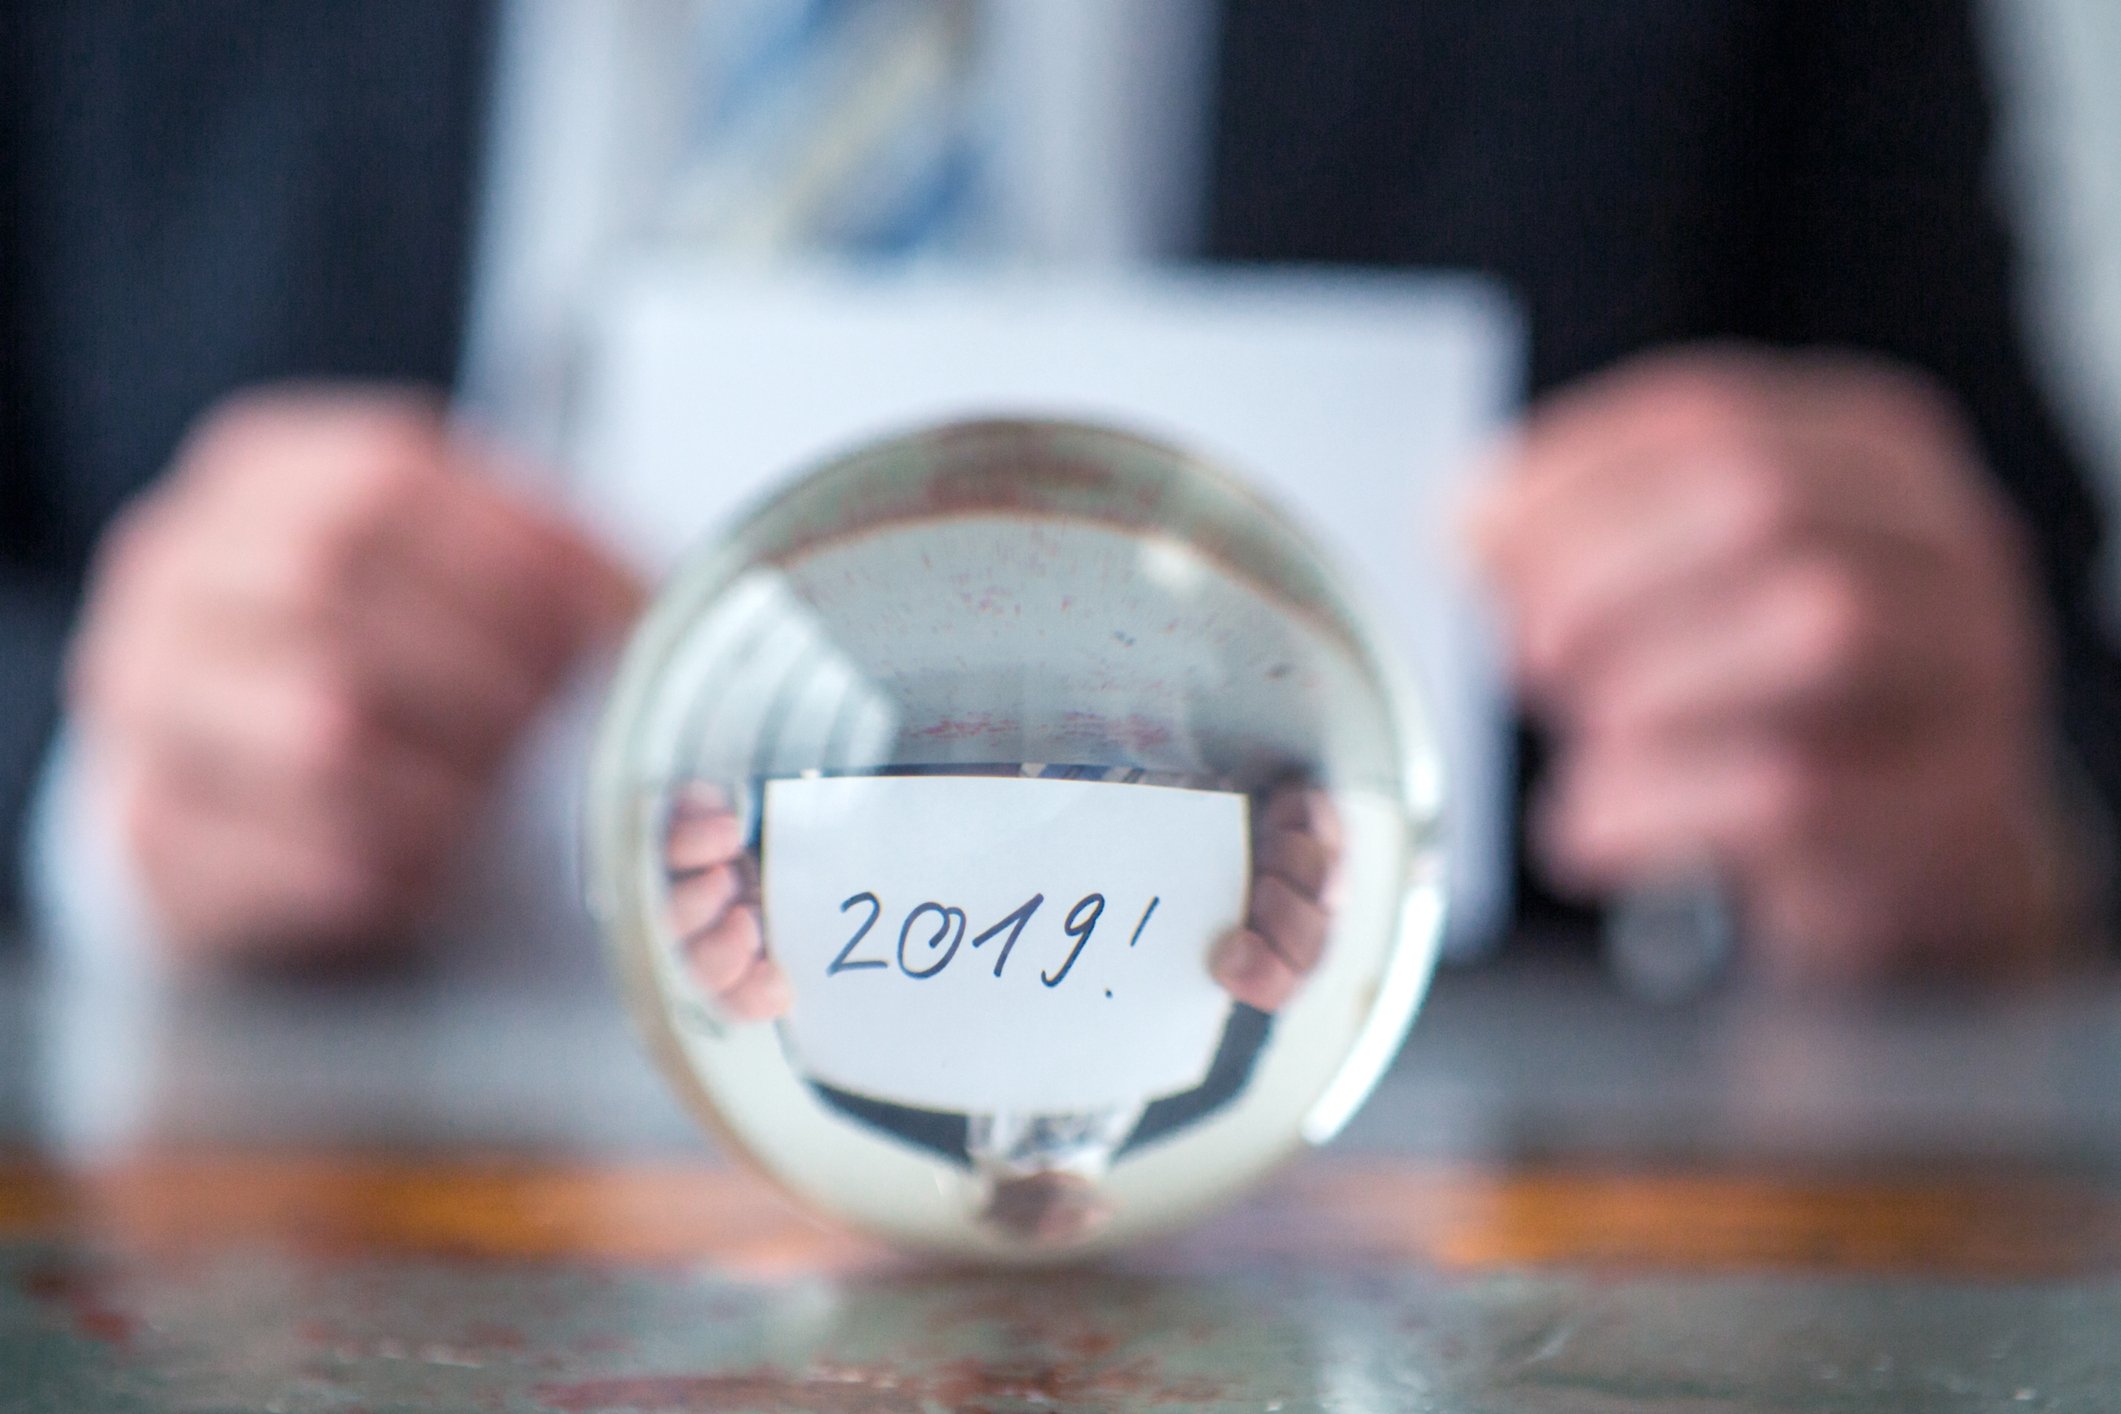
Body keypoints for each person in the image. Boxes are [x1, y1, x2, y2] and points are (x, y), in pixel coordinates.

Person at [5, 0, 2115, 989]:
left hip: (1408, 1229)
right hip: (314, 1168)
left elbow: (2018, 647)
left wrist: (1978, 808)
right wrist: (90, 788)